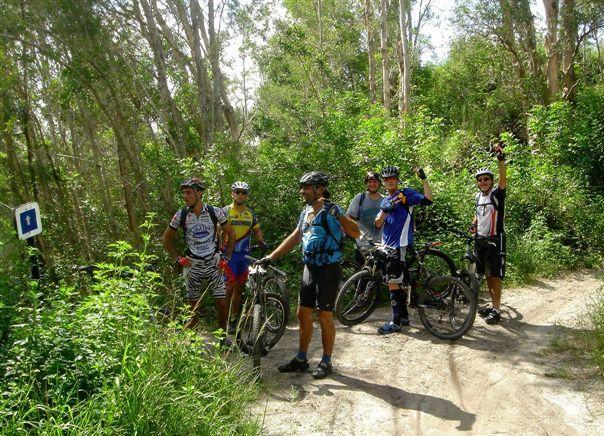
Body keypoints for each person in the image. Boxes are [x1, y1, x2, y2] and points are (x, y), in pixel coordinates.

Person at [256, 172, 360, 379]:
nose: (302, 191)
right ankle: (302, 359)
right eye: (301, 187)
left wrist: (338, 214)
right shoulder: (305, 212)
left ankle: (326, 361)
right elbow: (295, 237)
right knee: (303, 314)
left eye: (306, 187)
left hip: (329, 269)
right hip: (309, 268)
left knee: (324, 315)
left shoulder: (332, 210)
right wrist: (271, 257)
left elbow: (355, 232)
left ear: (319, 189)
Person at [162, 178, 236, 331]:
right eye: (183, 193)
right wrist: (178, 258)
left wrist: (226, 257)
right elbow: (166, 239)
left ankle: (222, 338)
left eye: (188, 192)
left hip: (213, 263)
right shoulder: (181, 215)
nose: (185, 196)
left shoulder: (214, 212)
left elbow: (231, 234)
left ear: (199, 193)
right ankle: (193, 343)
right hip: (192, 265)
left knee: (222, 303)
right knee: (192, 306)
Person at [374, 166, 433, 334]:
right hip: (388, 246)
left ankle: (395, 322)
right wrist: (386, 209)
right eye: (386, 179)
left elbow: (428, 199)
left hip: (399, 246)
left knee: (393, 283)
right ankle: (404, 317)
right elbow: (378, 223)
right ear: (383, 183)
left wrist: (423, 179)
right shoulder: (386, 199)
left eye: (392, 178)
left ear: (397, 179)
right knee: (396, 282)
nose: (389, 181)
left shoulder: (406, 194)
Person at [221, 181, 267, 331]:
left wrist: (261, 240)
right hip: (229, 256)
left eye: (243, 192)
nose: (240, 195)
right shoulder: (225, 211)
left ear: (246, 196)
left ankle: (234, 319)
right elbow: (217, 231)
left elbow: (257, 229)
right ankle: (224, 319)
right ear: (232, 194)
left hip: (244, 256)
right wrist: (218, 248)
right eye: (237, 192)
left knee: (239, 289)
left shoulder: (250, 213)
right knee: (228, 288)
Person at [471, 143, 507, 324]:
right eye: (480, 179)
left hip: (495, 240)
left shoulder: (496, 194)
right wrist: (474, 223)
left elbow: (503, 180)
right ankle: (492, 306)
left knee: (494, 275)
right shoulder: (478, 197)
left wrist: (500, 159)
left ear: (491, 181)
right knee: (485, 273)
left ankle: (497, 309)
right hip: (480, 240)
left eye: (486, 179)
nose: (483, 181)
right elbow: (478, 214)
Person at [347, 171, 385, 257]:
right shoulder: (360, 198)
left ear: (379, 183)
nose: (372, 184)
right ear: (366, 184)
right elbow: (350, 219)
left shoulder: (384, 200)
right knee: (362, 269)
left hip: (381, 245)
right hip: (362, 246)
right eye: (369, 182)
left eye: (375, 181)